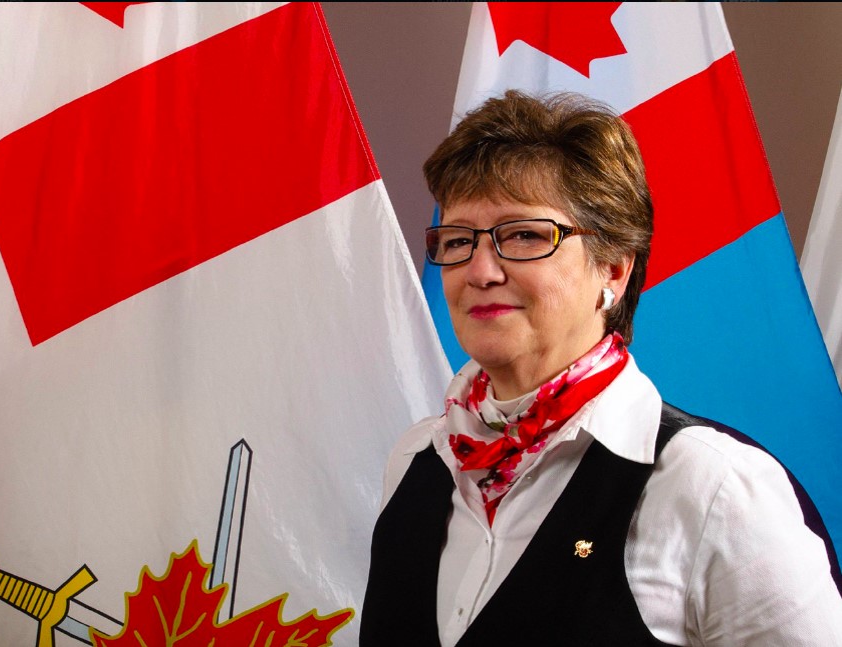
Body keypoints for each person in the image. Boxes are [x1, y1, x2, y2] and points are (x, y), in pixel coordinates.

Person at [360, 91, 842, 646]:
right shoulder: (416, 460)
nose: (481, 269)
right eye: (459, 239)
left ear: (612, 269)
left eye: (524, 235)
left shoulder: (713, 486)